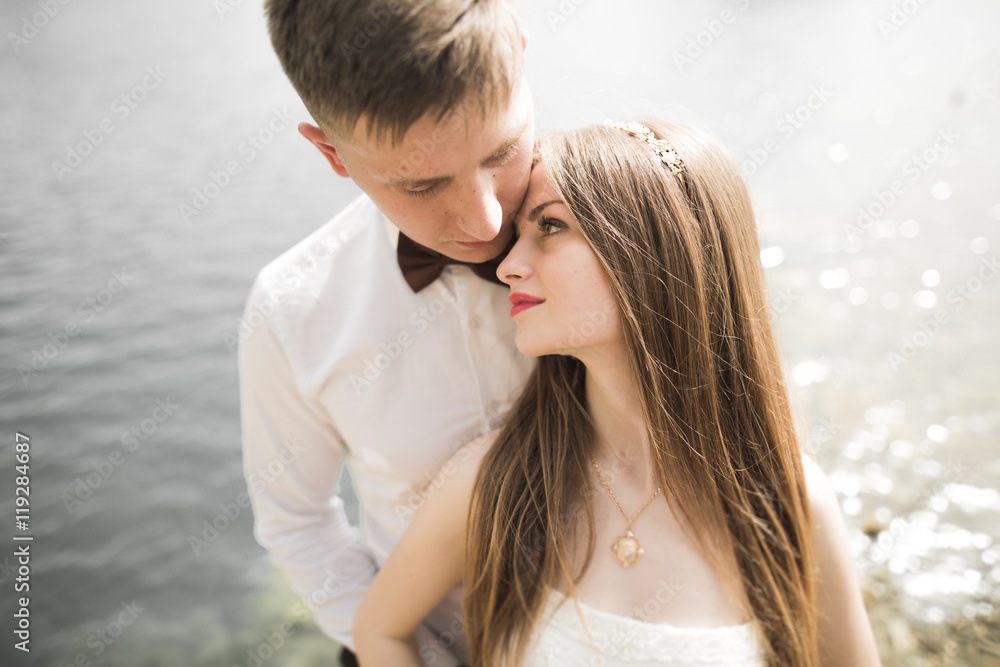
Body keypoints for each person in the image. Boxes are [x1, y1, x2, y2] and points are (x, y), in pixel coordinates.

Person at [352, 120, 884, 666]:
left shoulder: (787, 499)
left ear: (654, 253)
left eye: (551, 227)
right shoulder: (496, 483)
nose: (508, 266)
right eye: (519, 236)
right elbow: (380, 631)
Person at [239, 1, 535, 665]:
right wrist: (398, 649)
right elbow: (298, 519)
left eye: (503, 151)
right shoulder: (292, 311)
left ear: (521, 50)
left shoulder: (630, 231)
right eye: (423, 184)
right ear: (330, 152)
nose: (485, 221)